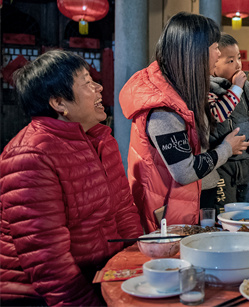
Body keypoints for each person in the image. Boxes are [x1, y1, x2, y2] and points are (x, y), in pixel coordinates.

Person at [0, 50, 143, 306]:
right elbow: (47, 259)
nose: (99, 87)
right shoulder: (30, 154)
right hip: (42, 294)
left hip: (98, 275)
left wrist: (137, 268)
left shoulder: (101, 139)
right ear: (59, 104)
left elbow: (123, 211)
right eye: (87, 83)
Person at [120, 12, 248, 232]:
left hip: (195, 195)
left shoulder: (186, 89)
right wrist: (227, 148)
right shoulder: (163, 108)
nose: (218, 54)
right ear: (195, 53)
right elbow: (185, 171)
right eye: (214, 47)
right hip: (169, 211)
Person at [208, 34, 249, 211]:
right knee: (225, 208)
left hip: (248, 161)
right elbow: (218, 115)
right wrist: (236, 88)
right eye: (230, 61)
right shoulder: (209, 88)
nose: (238, 65)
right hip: (223, 164)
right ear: (213, 64)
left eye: (239, 58)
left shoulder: (246, 88)